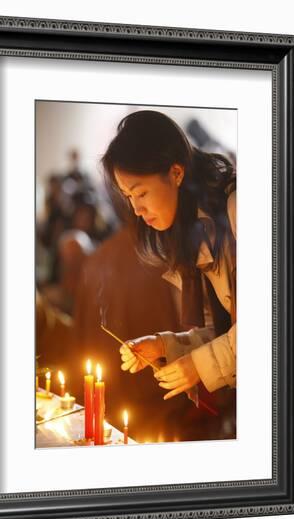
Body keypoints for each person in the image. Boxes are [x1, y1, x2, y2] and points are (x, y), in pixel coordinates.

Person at [101, 110, 236, 404]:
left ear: (176, 173)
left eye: (141, 193)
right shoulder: (192, 235)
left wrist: (199, 367)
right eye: (128, 196)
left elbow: (272, 326)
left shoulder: (236, 211)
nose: (136, 209)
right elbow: (225, 329)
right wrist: (165, 345)